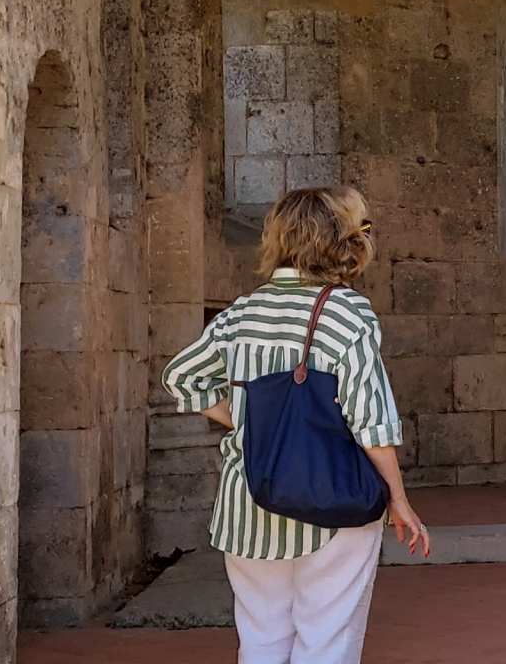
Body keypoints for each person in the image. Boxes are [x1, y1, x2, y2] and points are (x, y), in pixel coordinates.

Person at [163, 185, 430, 664]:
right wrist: (399, 499)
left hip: (248, 503)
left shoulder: (241, 313)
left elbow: (181, 378)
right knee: (327, 640)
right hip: (334, 503)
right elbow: (371, 419)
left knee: (261, 639)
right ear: (341, 241)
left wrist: (242, 419)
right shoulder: (349, 315)